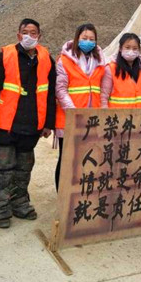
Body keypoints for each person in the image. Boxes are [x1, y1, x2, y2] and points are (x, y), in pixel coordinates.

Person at [0, 19, 56, 229]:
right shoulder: (5, 56)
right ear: (18, 35)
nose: (29, 36)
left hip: (32, 125)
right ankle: (0, 208)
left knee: (24, 169)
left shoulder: (46, 58)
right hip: (6, 124)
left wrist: (47, 123)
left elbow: (50, 93)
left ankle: (19, 203)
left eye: (33, 32)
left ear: (39, 36)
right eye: (25, 32)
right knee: (3, 169)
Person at [55, 23, 107, 190]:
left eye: (92, 39)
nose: (88, 41)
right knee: (66, 159)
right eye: (84, 38)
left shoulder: (100, 61)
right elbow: (60, 89)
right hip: (70, 119)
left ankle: (80, 193)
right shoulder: (64, 60)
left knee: (89, 158)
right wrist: (74, 112)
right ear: (77, 38)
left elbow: (102, 90)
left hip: (92, 120)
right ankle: (63, 195)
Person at [101, 33, 141, 109]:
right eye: (127, 47)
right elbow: (103, 98)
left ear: (139, 50)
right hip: (117, 118)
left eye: (135, 48)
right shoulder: (110, 69)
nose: (131, 51)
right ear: (120, 48)